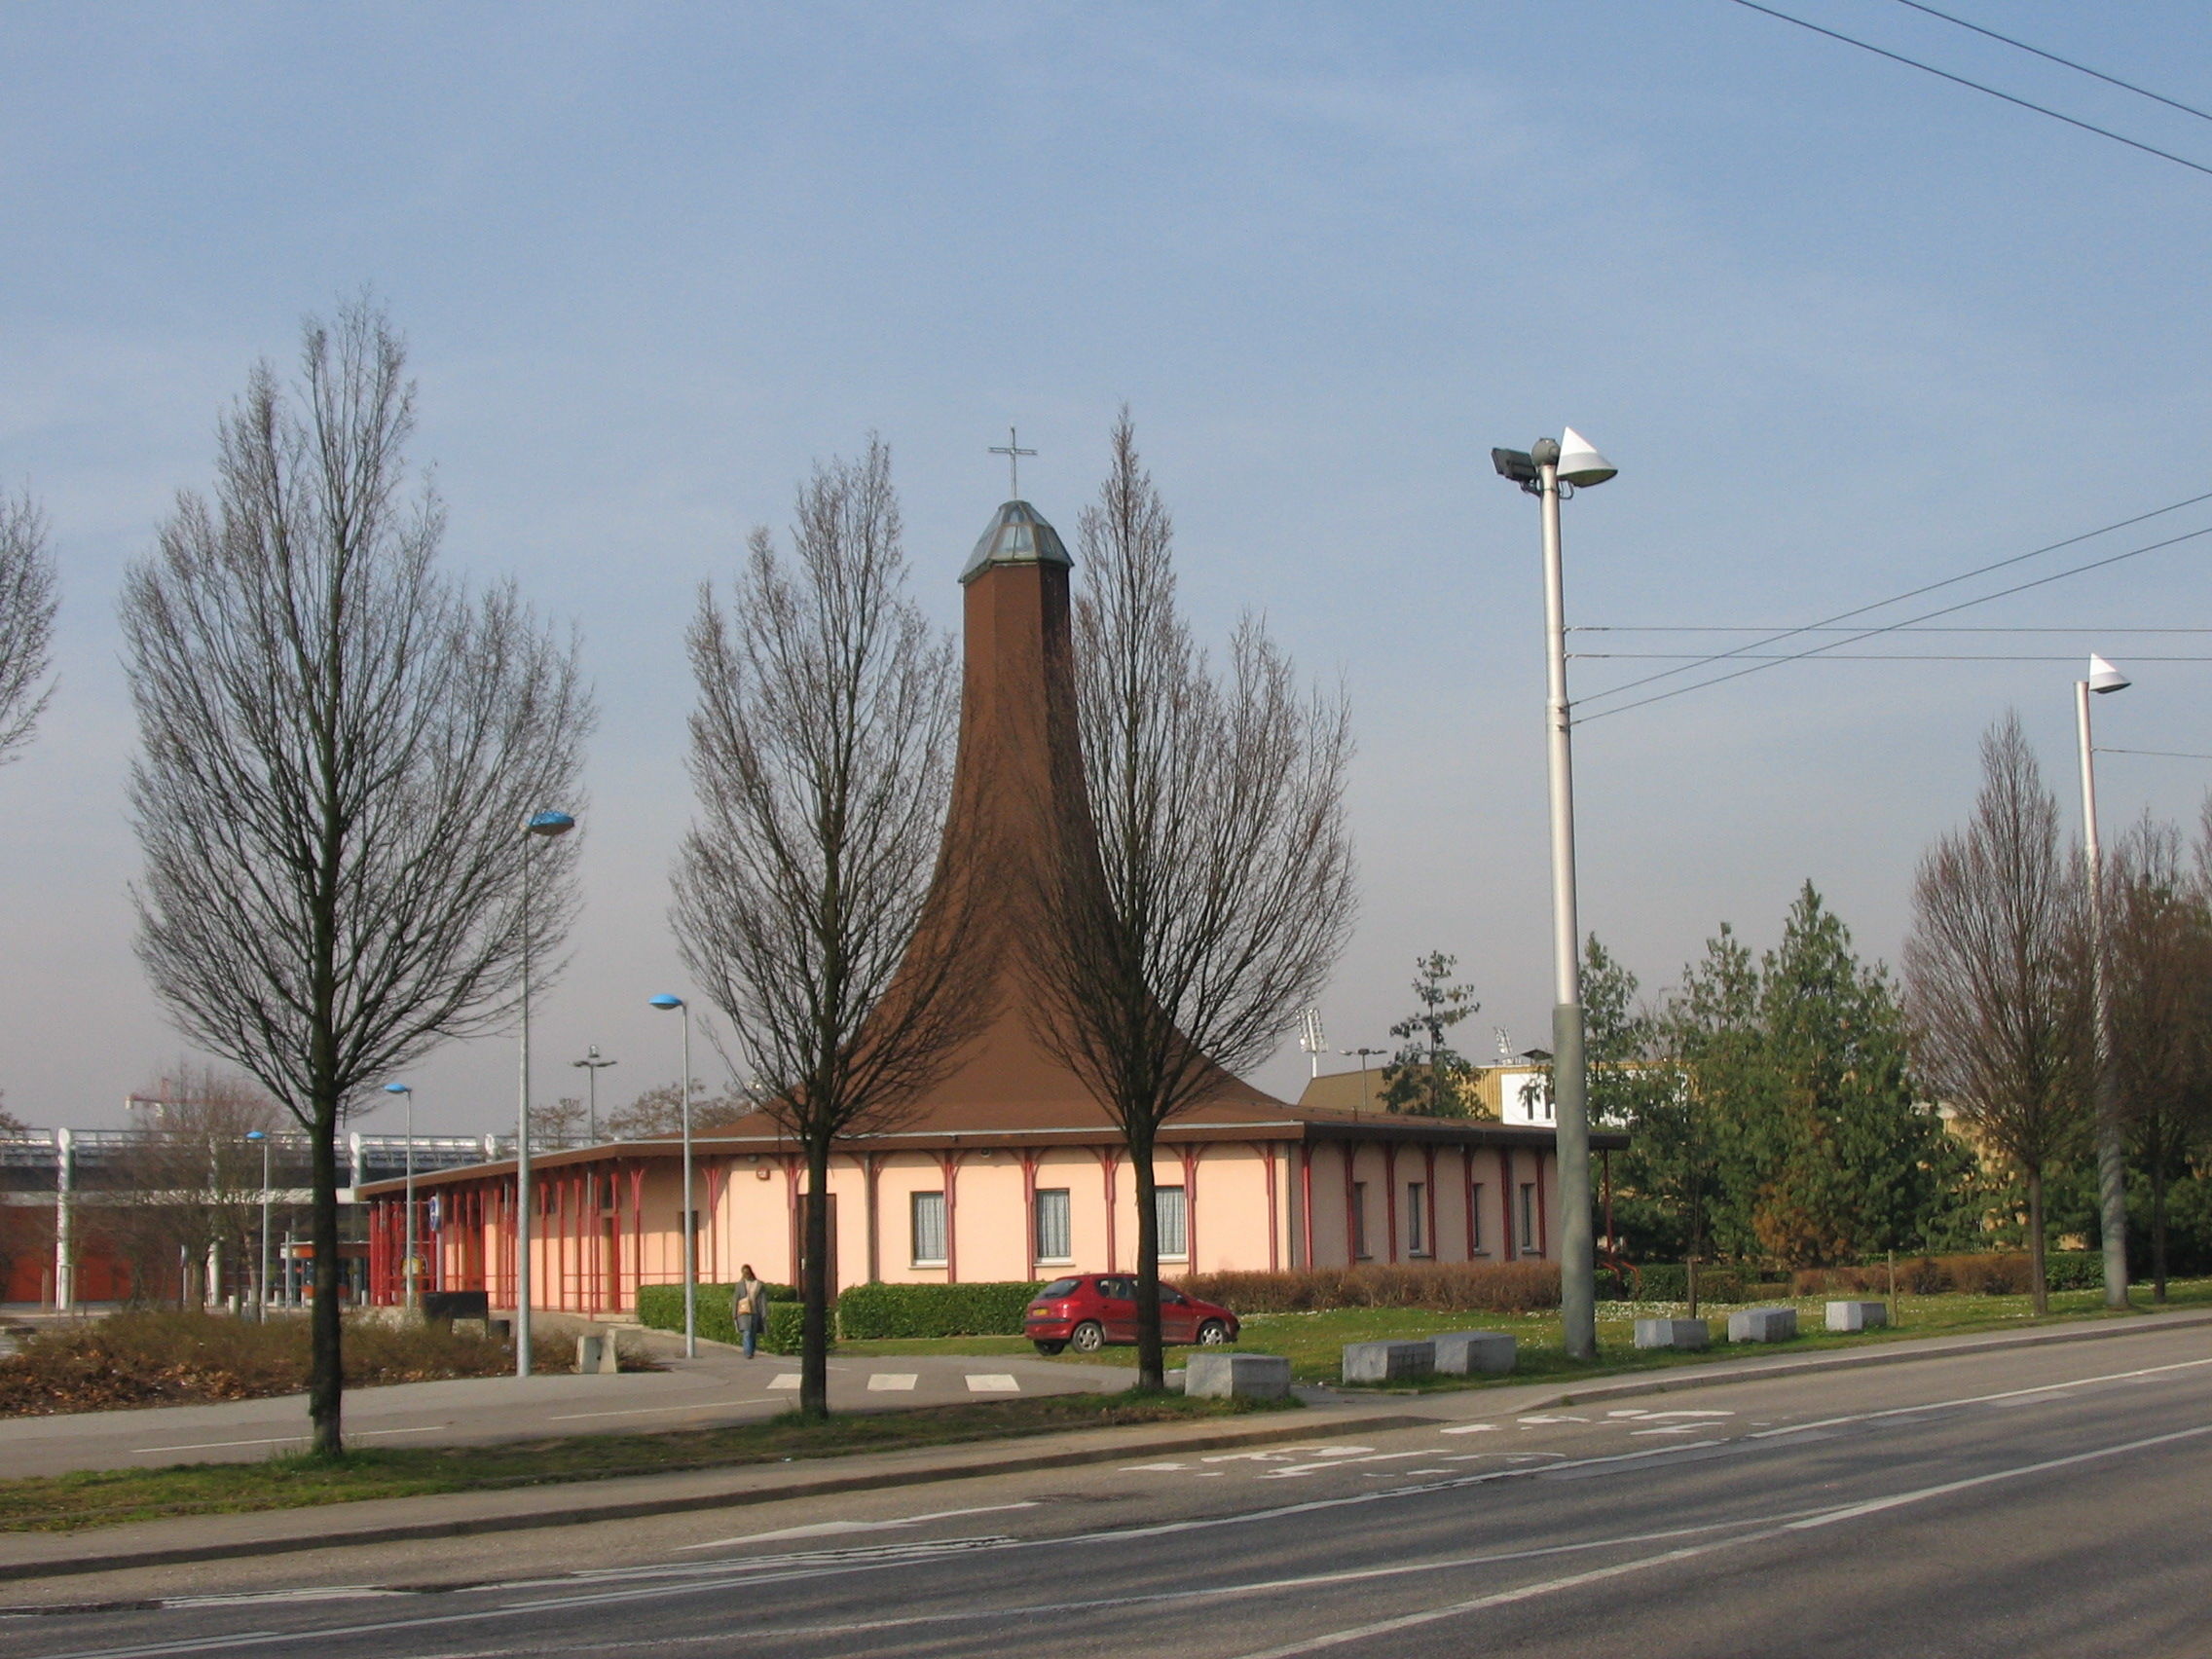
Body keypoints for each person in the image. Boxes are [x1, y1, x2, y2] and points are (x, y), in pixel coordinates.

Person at [733, 1264, 767, 1360]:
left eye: (747, 1272)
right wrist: (734, 1313)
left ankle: (751, 1351)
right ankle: (748, 1353)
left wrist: (764, 1312)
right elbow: (735, 1299)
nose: (746, 1274)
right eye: (744, 1273)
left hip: (755, 1312)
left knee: (753, 1333)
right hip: (743, 1312)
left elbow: (763, 1300)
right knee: (747, 1332)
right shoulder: (740, 1285)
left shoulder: (758, 1284)